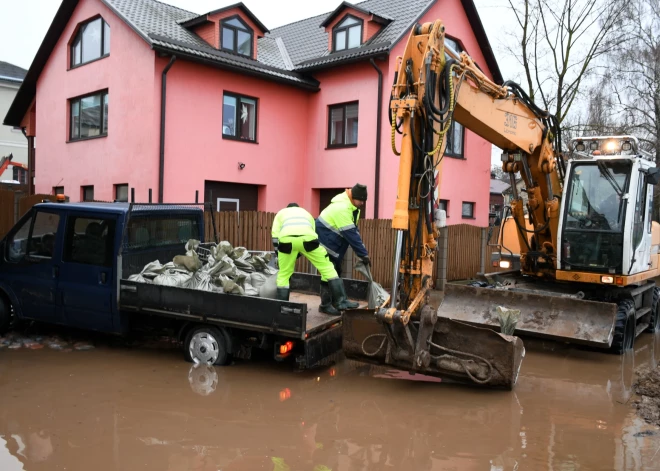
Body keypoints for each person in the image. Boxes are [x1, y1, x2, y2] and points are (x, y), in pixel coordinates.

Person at [272, 203, 358, 314]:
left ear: (287, 208)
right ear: (298, 208)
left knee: (284, 274)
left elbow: (275, 236)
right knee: (327, 268)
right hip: (308, 239)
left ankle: (282, 308)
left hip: (286, 241)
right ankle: (340, 301)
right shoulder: (306, 213)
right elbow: (313, 232)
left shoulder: (280, 213)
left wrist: (280, 255)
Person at [316, 183, 370, 277]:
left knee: (333, 273)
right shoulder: (342, 208)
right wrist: (363, 254)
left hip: (331, 243)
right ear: (354, 197)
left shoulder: (353, 209)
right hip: (326, 243)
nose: (362, 203)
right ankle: (327, 291)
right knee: (331, 274)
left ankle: (329, 290)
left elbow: (354, 232)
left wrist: (362, 251)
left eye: (364, 200)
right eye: (361, 200)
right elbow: (351, 234)